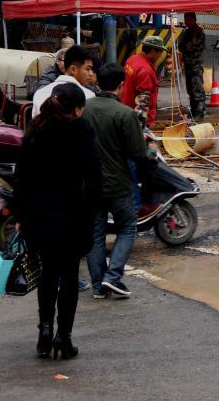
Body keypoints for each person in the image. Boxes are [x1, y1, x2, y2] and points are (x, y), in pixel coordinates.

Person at [13, 83, 101, 359]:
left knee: (48, 274)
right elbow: (94, 176)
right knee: (69, 276)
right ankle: (64, 337)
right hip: (73, 215)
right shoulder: (81, 130)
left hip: (38, 216)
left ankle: (45, 331)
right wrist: (93, 210)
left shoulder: (36, 128)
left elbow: (21, 177)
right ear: (77, 109)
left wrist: (20, 215)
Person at [83, 63, 152, 299]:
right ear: (121, 85)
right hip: (118, 184)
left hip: (90, 184)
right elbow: (138, 154)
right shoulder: (125, 113)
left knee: (95, 234)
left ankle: (97, 286)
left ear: (98, 81)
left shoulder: (84, 109)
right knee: (127, 228)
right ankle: (112, 277)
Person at [32, 46, 95, 117]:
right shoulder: (89, 96)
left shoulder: (40, 93)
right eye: (88, 69)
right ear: (73, 69)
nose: (91, 73)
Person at [120, 36, 166, 127]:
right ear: (153, 51)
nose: (161, 55)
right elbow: (142, 104)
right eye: (160, 52)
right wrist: (141, 127)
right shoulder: (145, 71)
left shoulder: (132, 59)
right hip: (135, 119)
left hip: (125, 109)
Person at [178, 12, 207, 120]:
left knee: (197, 90)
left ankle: (200, 113)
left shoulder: (197, 31)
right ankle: (194, 111)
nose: (187, 22)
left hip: (195, 65)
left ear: (194, 19)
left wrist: (183, 46)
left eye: (189, 19)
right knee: (190, 90)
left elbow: (187, 47)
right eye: (186, 19)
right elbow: (181, 47)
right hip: (188, 64)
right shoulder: (187, 31)